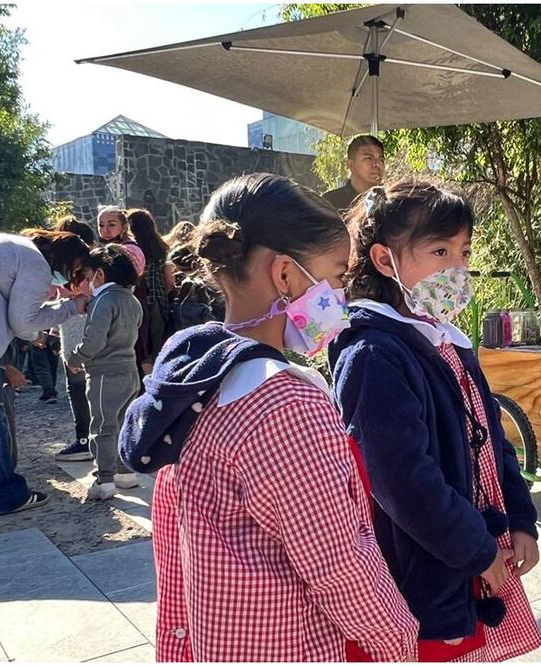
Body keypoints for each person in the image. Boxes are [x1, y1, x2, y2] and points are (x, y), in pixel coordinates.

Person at [118, 173, 418, 662]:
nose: (341, 296)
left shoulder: (196, 372)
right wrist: (398, 641)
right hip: (290, 645)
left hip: (221, 637)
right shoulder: (285, 405)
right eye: (338, 276)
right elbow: (337, 562)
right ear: (285, 275)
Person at [330, 180, 541, 661]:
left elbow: (491, 439)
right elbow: (405, 483)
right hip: (422, 576)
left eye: (464, 252)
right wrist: (478, 551)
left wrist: (520, 519)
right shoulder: (373, 353)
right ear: (386, 261)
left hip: (464, 560)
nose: (458, 269)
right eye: (440, 251)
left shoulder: (444, 340)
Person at [0, 230, 90, 515]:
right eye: (75, 268)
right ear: (67, 258)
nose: (72, 275)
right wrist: (70, 307)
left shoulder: (13, 247)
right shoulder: (35, 263)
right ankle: (7, 493)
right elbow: (24, 322)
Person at [68, 244, 144, 500]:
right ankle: (125, 472)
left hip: (104, 374)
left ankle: (104, 480)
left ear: (100, 274)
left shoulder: (103, 301)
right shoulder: (132, 300)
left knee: (102, 427)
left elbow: (94, 339)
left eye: (89, 278)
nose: (88, 283)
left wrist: (76, 356)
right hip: (130, 371)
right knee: (123, 425)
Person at [53, 217, 99, 461]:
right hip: (74, 327)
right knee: (86, 387)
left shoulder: (77, 267)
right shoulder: (95, 264)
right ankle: (91, 439)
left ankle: (85, 440)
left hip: (76, 329)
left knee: (79, 387)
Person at [127, 208, 176, 363]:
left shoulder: (132, 249)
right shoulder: (161, 248)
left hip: (136, 302)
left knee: (138, 347)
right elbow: (169, 283)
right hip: (158, 302)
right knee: (156, 348)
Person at [322, 134, 386, 214]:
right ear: (351, 165)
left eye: (381, 159)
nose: (377, 164)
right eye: (369, 158)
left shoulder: (393, 200)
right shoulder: (330, 202)